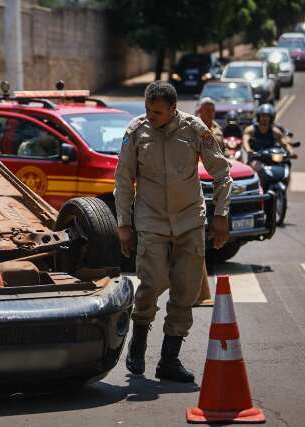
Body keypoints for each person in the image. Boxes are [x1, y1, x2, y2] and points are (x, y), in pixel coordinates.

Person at [114, 81, 232, 382]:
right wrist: (124, 225)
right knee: (152, 282)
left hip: (189, 219)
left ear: (173, 109)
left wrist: (222, 214)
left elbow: (221, 171)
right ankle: (138, 341)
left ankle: (169, 359)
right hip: (151, 219)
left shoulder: (194, 130)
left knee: (186, 289)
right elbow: (124, 180)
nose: (150, 116)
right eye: (147, 110)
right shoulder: (136, 132)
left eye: (156, 112)